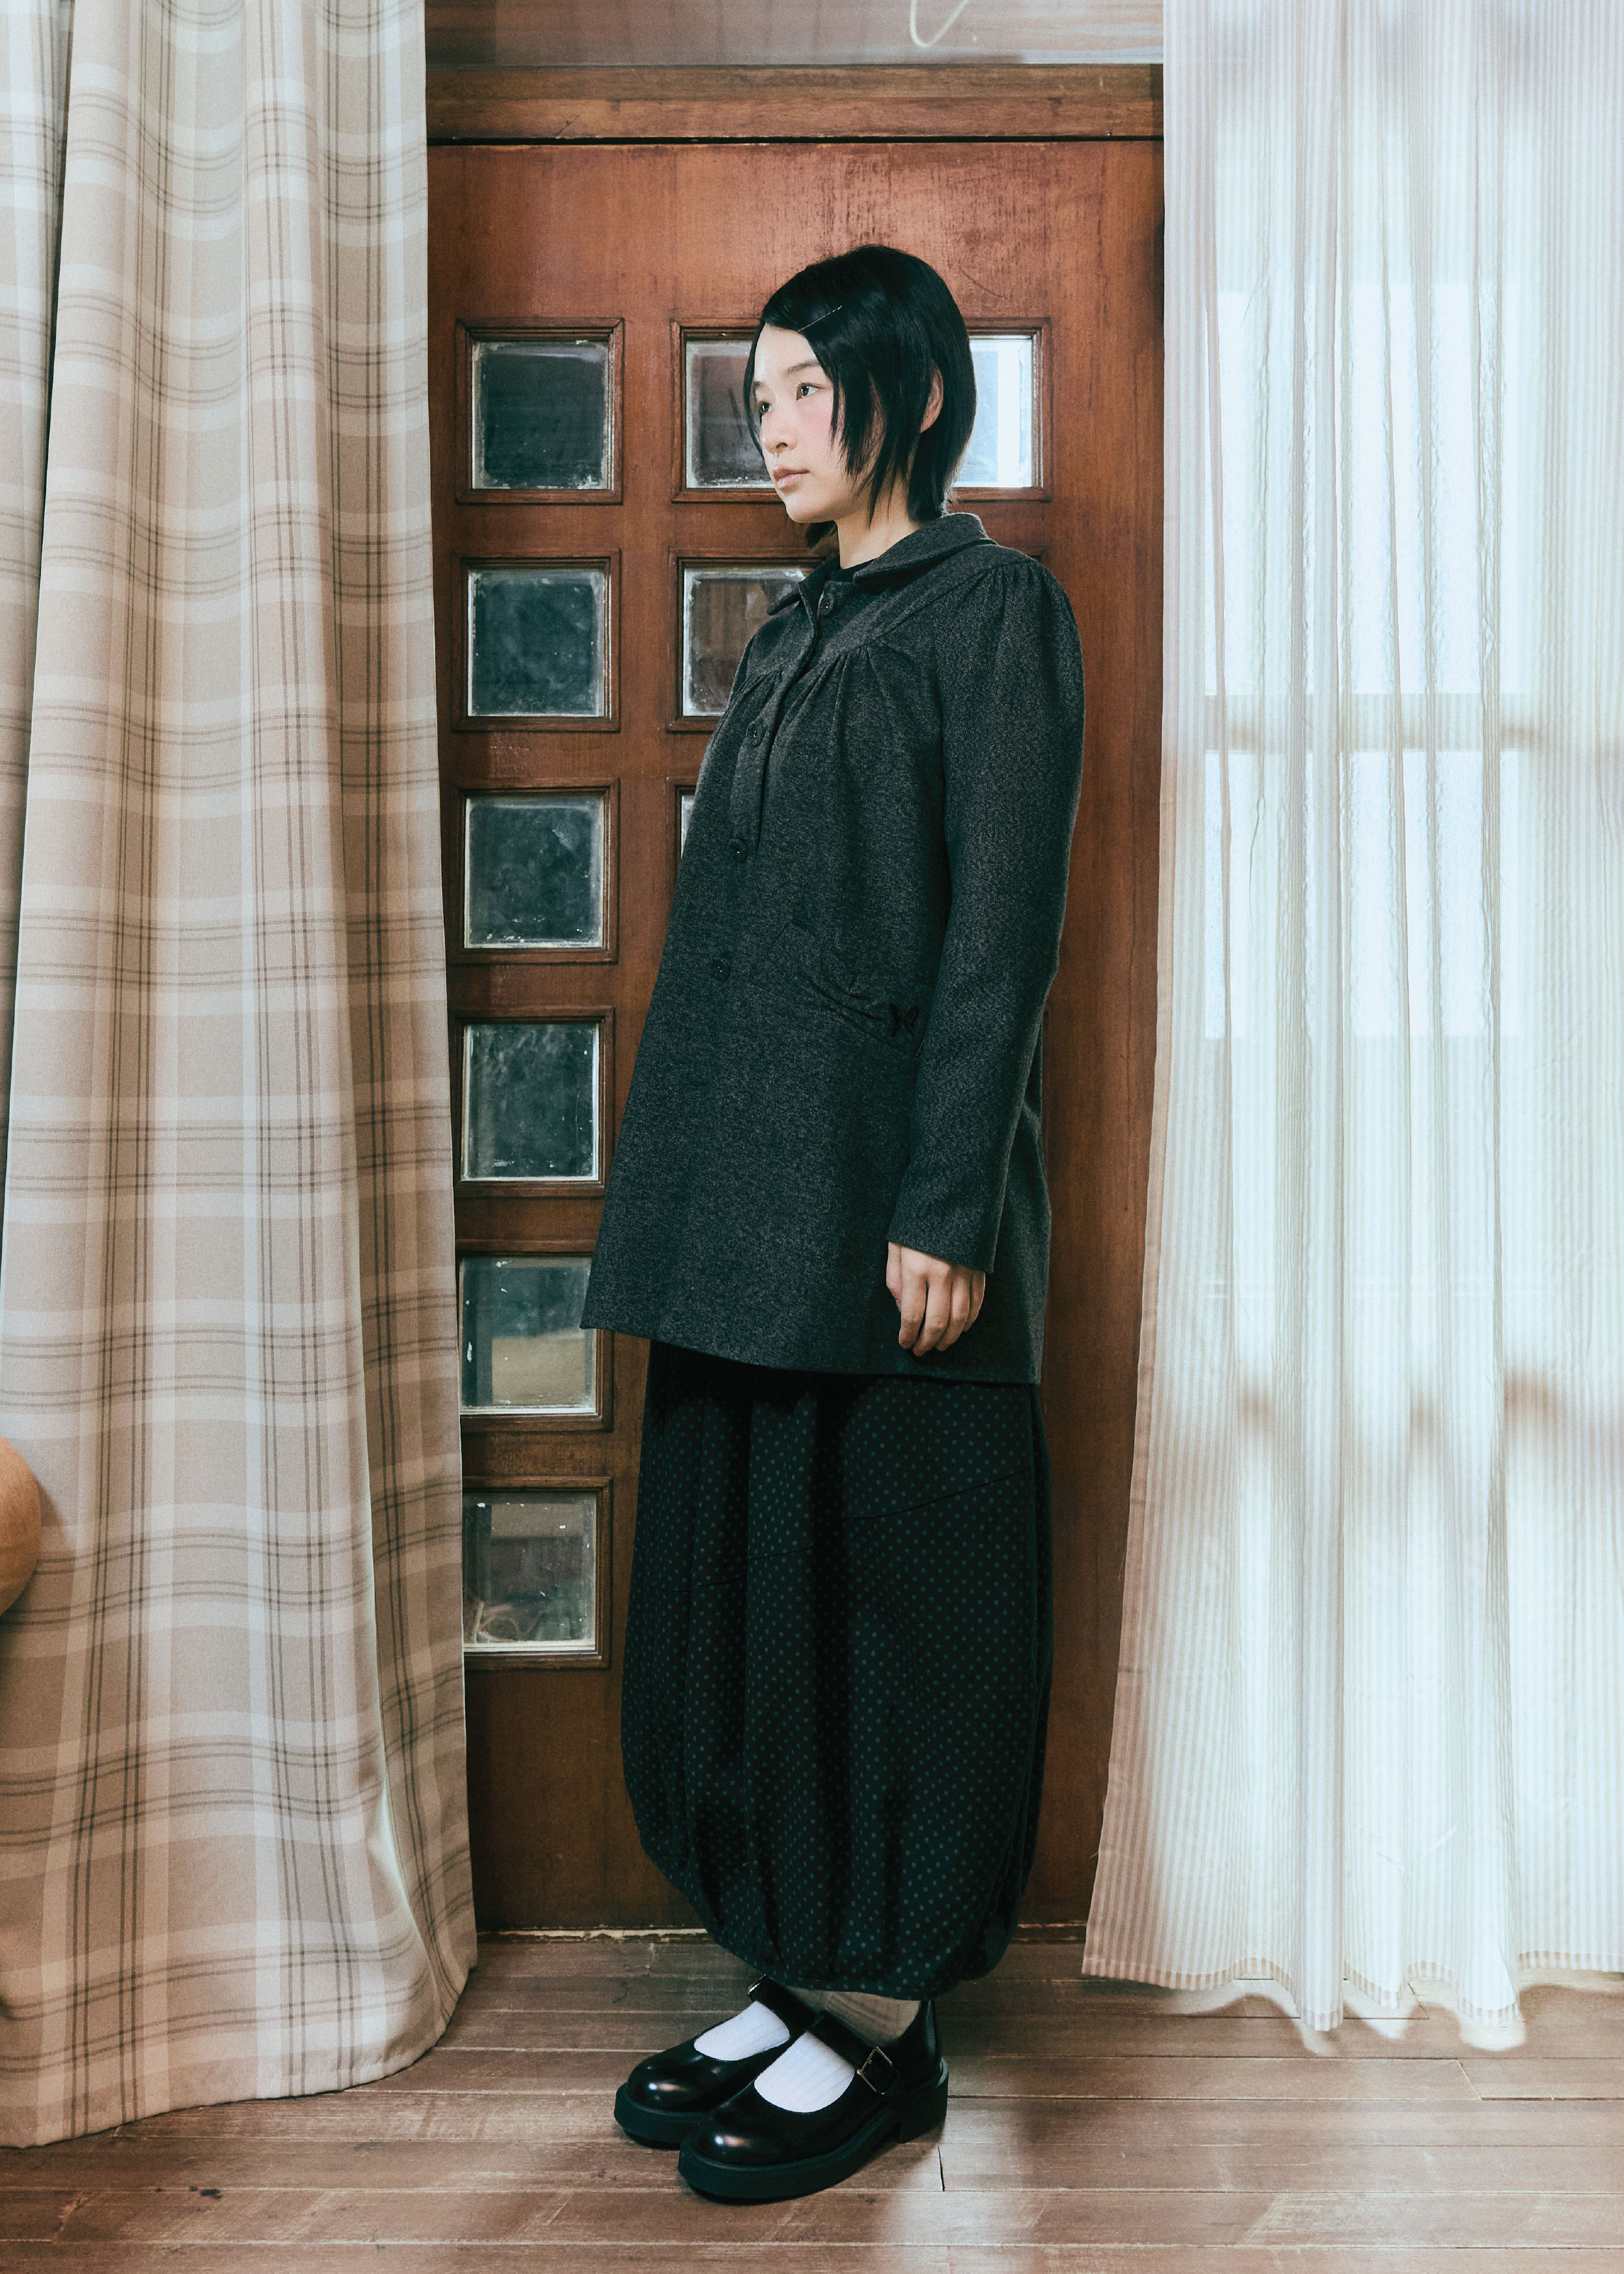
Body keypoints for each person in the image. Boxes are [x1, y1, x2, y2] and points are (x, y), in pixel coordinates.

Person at [580, 243, 1085, 2203]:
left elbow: (1000, 935)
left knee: (895, 1612)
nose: (771, 428)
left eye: (806, 389)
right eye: (762, 394)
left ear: (916, 398)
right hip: (744, 1219)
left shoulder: (995, 613)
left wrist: (944, 1208)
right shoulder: (795, 629)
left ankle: (884, 2021)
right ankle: (796, 1975)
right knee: (755, 1597)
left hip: (887, 1227)